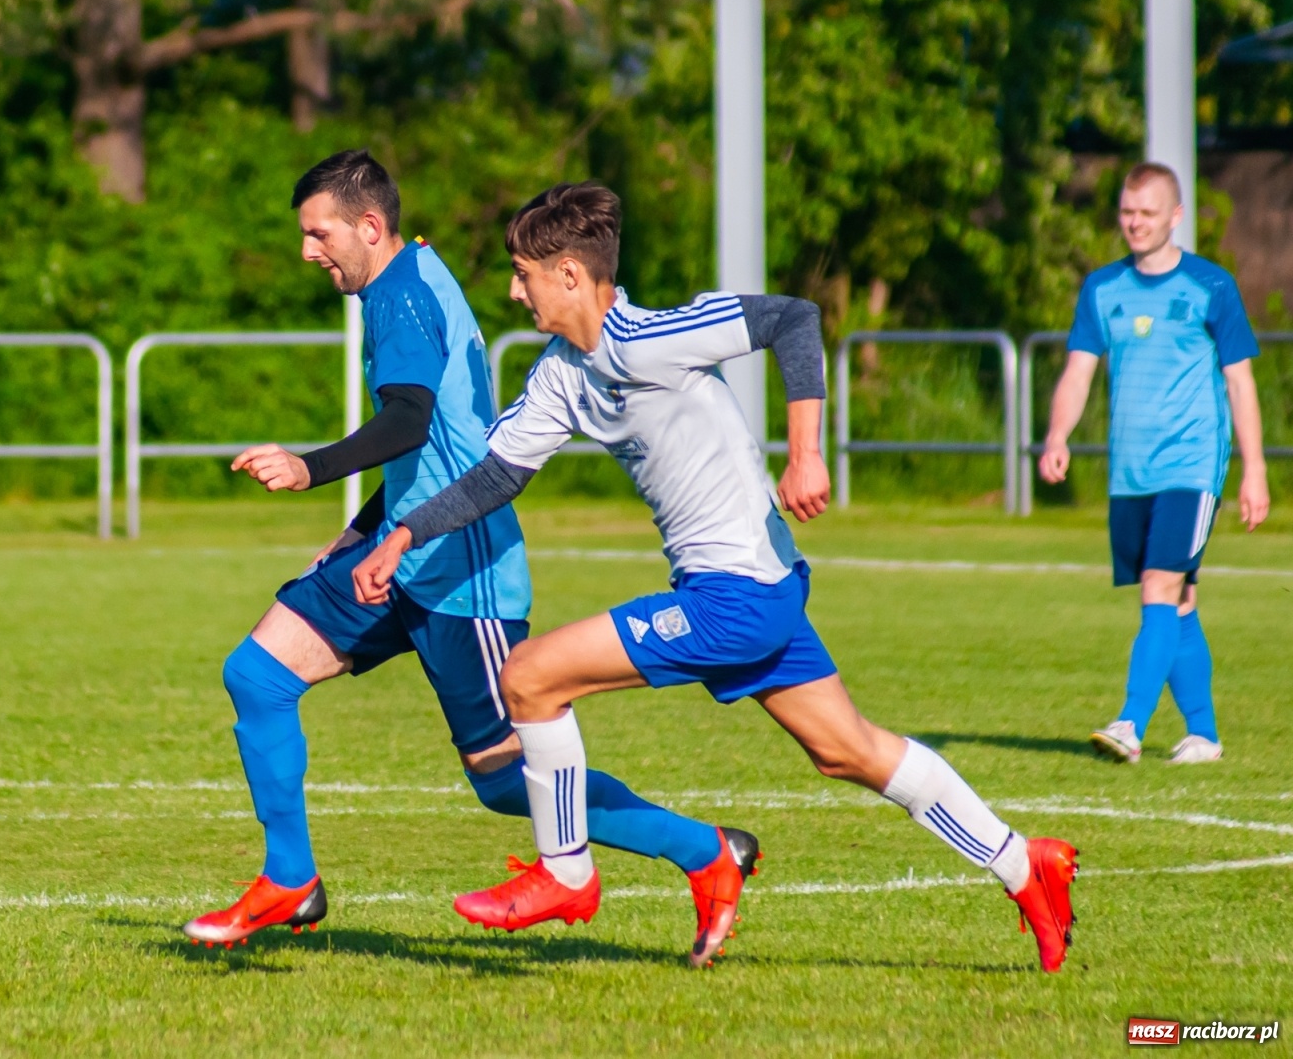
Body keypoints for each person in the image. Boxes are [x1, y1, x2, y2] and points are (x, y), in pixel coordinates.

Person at [353, 181, 1080, 973]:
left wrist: (804, 453)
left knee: (529, 678)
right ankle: (1023, 863)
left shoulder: (649, 336)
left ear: (569, 275)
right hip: (752, 590)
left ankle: (565, 873)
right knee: (848, 750)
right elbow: (495, 474)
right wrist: (402, 535)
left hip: (736, 595)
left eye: (523, 273)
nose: (513, 289)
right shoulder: (564, 374)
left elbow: (792, 320)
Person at [182, 151, 759, 967]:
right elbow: (438, 448)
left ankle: (704, 851)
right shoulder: (400, 283)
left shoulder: (404, 295)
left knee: (501, 778)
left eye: (320, 234)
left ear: (369, 228)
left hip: (464, 573)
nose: (309, 251)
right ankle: (290, 881)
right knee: (258, 675)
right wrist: (360, 532)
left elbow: (413, 423)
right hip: (397, 555)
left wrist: (310, 466)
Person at [1039, 161, 1269, 765]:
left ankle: (1129, 723)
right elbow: (1079, 370)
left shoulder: (1210, 286)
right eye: (1126, 212)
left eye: (1146, 213)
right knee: (1180, 599)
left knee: (1159, 586)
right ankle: (1204, 735)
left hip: (1193, 464)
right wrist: (1058, 434)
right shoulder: (1102, 288)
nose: (1134, 223)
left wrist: (1255, 471)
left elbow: (1240, 383)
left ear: (1175, 216)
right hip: (1131, 472)